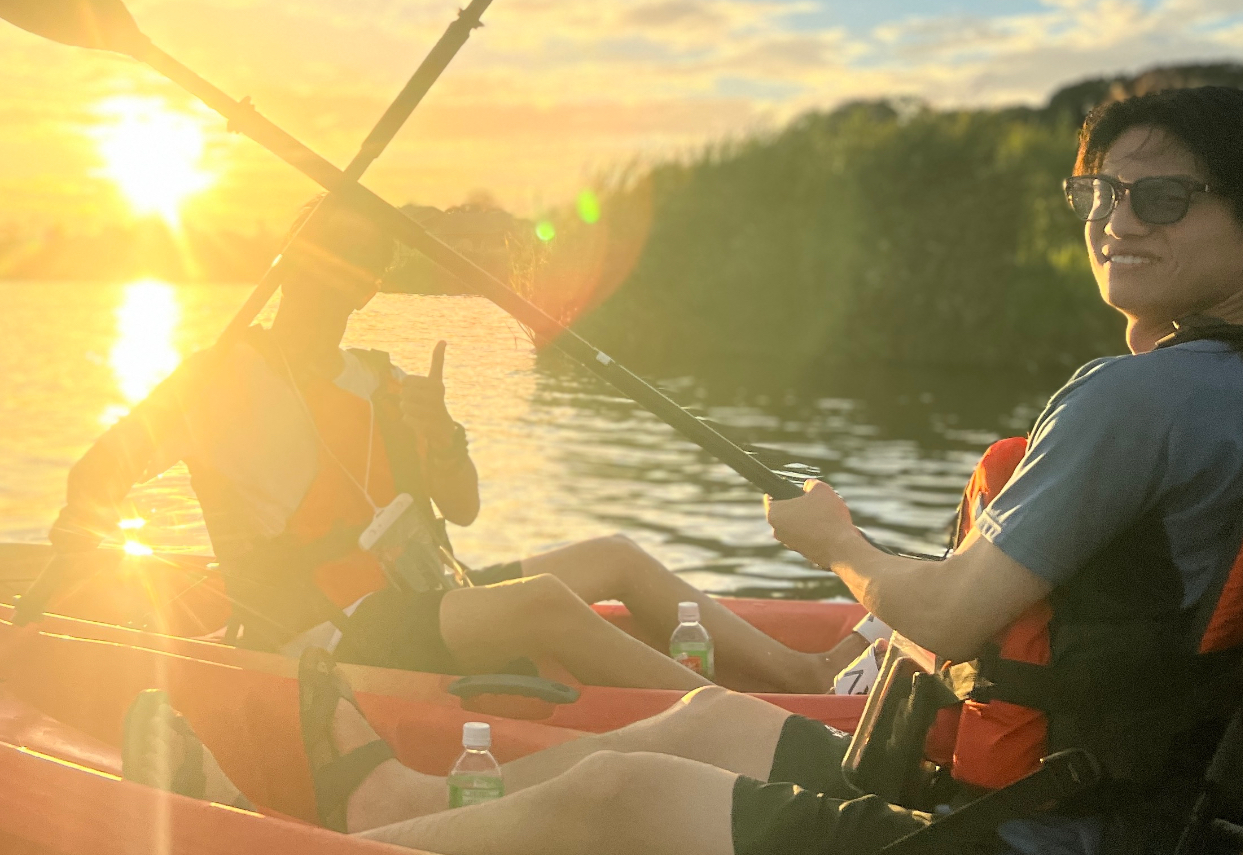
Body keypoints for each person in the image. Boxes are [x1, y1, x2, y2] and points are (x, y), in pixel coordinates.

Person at [125, 85, 1243, 855]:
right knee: (712, 718)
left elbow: (944, 612)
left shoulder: (1142, 398)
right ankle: (392, 811)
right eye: (1096, 196)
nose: (1114, 221)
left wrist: (836, 547)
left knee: (617, 796)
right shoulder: (1234, 389)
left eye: (1159, 199)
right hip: (1092, 798)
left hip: (1026, 826)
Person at [18, 195, 863, 694]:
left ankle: (801, 678)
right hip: (318, 633)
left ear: (372, 286)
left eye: (360, 265)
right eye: (327, 258)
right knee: (540, 605)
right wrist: (84, 549)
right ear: (288, 265)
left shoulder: (379, 378)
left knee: (614, 554)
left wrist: (442, 434)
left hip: (424, 594)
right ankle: (754, 722)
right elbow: (98, 472)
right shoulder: (218, 379)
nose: (342, 279)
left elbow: (457, 506)